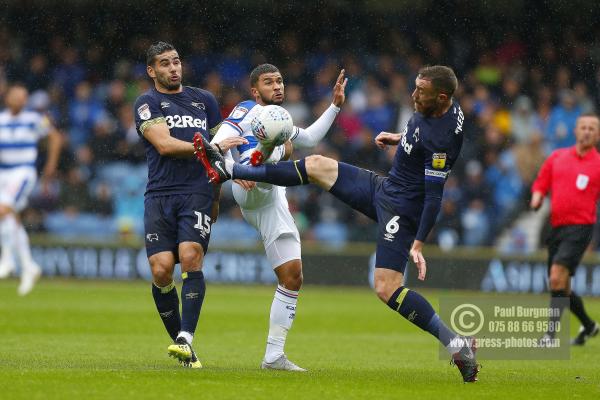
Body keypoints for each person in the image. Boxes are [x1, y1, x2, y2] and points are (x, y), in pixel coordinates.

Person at [194, 65, 480, 382]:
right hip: (385, 187)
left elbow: (435, 197)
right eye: (414, 87)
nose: (413, 95)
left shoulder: (442, 139)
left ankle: (457, 343)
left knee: (386, 288)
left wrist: (419, 242)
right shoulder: (440, 106)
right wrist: (402, 138)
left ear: (440, 97)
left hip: (402, 210)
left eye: (420, 92)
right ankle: (232, 172)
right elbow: (421, 134)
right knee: (316, 165)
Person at [210, 64, 347, 371]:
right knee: (277, 148)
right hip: (248, 187)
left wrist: (335, 106)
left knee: (293, 276)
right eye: (269, 82)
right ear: (255, 91)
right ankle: (251, 161)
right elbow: (218, 144)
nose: (278, 86)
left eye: (280, 81)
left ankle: (273, 355)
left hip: (272, 198)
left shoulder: (281, 120)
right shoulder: (246, 110)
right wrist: (231, 165)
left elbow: (310, 137)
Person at [133, 42, 245, 368]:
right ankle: (184, 350)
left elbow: (220, 151)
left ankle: (186, 337)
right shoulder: (147, 102)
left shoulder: (204, 100)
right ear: (152, 71)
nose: (174, 68)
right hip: (159, 194)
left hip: (196, 191)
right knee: (161, 269)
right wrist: (208, 147)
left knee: (190, 256)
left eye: (177, 62)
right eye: (165, 64)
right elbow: (165, 145)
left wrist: (217, 193)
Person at [531, 113, 600, 346]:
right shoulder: (557, 157)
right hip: (556, 226)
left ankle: (550, 337)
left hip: (580, 227)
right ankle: (589, 326)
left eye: (592, 128)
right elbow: (541, 182)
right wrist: (537, 197)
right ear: (576, 131)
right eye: (584, 127)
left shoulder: (598, 165)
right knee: (560, 285)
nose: (587, 131)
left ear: (598, 135)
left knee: (556, 275)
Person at [0, 83, 62, 295]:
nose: (20, 100)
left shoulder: (35, 119)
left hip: (23, 172)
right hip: (3, 174)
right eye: (16, 96)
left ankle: (7, 259)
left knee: (3, 211)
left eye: (23, 97)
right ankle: (28, 266)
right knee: (12, 218)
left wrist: (50, 167)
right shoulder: (1, 120)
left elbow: (55, 137)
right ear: (8, 98)